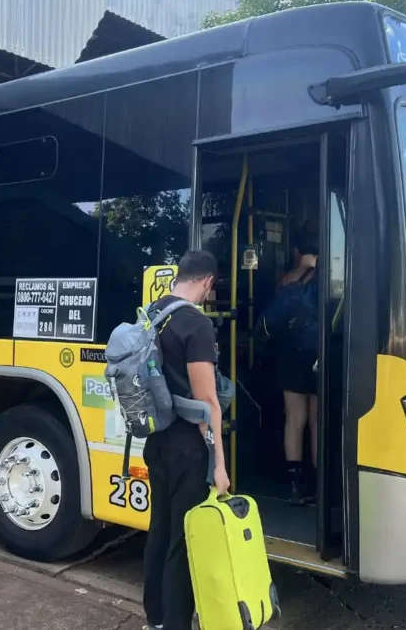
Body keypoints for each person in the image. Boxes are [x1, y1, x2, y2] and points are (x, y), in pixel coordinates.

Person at [142, 250, 228, 630]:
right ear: (207, 282)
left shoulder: (149, 315)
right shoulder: (195, 323)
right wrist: (219, 465)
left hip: (155, 440)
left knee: (159, 531)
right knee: (183, 540)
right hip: (186, 449)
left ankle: (156, 618)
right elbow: (207, 402)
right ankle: (175, 624)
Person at [272, 220, 320, 506]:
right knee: (316, 421)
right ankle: (318, 485)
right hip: (318, 353)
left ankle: (294, 483)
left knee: (294, 418)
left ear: (296, 250)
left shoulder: (288, 276)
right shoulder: (328, 274)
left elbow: (279, 296)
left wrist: (300, 268)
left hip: (289, 353)